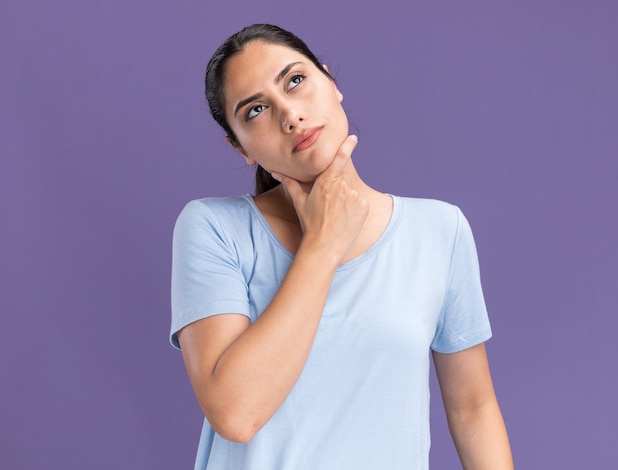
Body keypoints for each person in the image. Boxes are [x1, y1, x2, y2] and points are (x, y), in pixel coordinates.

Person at [170, 23, 513, 469]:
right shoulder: (213, 228)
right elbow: (236, 414)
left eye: (295, 80)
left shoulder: (440, 231)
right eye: (255, 110)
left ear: (331, 84)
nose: (290, 115)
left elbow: (473, 409)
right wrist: (323, 243)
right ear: (241, 149)